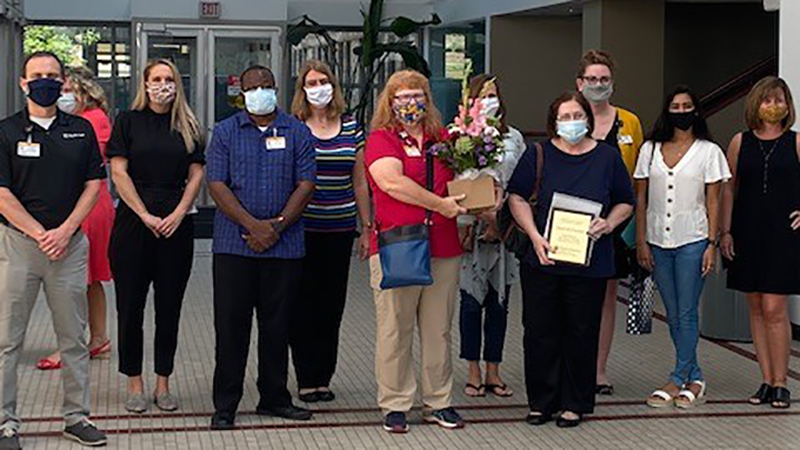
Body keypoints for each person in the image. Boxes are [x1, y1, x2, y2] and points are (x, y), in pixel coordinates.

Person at [508, 92, 634, 428]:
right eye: (564, 117)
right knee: (539, 330)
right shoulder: (539, 154)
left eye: (577, 115)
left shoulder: (607, 157)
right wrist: (534, 235)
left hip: (589, 261)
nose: (571, 122)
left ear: (588, 120)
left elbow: (626, 201)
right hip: (543, 258)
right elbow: (516, 196)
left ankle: (574, 403)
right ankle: (541, 401)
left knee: (581, 330)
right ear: (553, 122)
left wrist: (609, 223)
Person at [0, 51, 107, 448]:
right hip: (19, 246)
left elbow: (93, 185)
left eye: (52, 75)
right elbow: (1, 193)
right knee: (8, 338)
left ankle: (76, 418)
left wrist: (64, 231)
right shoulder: (6, 131)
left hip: (69, 246)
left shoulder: (80, 130)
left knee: (73, 338)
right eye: (36, 75)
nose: (45, 81)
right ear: (23, 83)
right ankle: (5, 422)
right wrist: (40, 232)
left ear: (63, 82)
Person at [207, 65, 316, 430]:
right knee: (231, 327)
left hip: (284, 247)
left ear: (276, 89)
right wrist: (254, 226)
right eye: (253, 87)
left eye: (267, 86)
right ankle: (225, 405)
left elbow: (305, 183)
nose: (260, 92)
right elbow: (217, 185)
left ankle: (274, 397)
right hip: (233, 245)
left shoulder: (297, 131)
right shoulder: (224, 132)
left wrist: (277, 226)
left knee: (278, 326)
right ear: (241, 91)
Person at [365, 69, 467, 434]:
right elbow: (391, 182)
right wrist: (440, 204)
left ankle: (439, 401)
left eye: (417, 95)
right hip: (398, 243)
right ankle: (395, 403)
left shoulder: (445, 139)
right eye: (402, 97)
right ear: (389, 103)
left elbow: (467, 177)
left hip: (443, 245)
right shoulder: (382, 139)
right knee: (395, 326)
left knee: (438, 328)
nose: (410, 103)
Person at [107, 58, 205, 413]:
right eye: (157, 79)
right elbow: (119, 172)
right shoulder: (128, 121)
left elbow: (196, 175)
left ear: (178, 84)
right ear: (145, 84)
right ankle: (135, 381)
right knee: (130, 306)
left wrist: (179, 213)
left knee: (169, 307)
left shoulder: (188, 124)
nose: (163, 85)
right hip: (134, 222)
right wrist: (144, 214)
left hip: (176, 223)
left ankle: (164, 382)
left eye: (169, 79)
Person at [634, 86, 731, 409]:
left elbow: (714, 199)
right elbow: (641, 197)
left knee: (687, 312)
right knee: (673, 313)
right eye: (675, 106)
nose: (681, 110)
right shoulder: (649, 149)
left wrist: (712, 244)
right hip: (659, 241)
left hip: (694, 238)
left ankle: (677, 378)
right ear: (666, 111)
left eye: (687, 105)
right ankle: (696, 378)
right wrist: (641, 241)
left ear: (697, 110)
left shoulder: (709, 151)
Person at [288, 60, 370, 403]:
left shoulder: (351, 127)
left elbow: (360, 180)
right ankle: (306, 377)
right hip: (303, 229)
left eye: (324, 81)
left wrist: (366, 227)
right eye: (311, 82)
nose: (319, 87)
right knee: (302, 304)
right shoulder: (294, 126)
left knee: (331, 305)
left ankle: (324, 376)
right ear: (302, 90)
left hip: (339, 229)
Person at [720, 76, 800, 409]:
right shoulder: (740, 142)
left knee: (774, 308)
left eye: (779, 100)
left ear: (788, 105)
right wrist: (725, 231)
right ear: (756, 104)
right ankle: (766, 379)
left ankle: (783, 382)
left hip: (783, 233)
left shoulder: (796, 141)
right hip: (747, 230)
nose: (773, 106)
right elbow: (728, 188)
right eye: (767, 101)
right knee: (754, 307)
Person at [575, 50, 644, 395]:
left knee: (606, 296)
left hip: (616, 223)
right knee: (574, 295)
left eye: (604, 80)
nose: (598, 85)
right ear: (580, 83)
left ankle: (599, 370)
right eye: (592, 79)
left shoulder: (629, 122)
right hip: (573, 221)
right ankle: (574, 364)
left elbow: (639, 179)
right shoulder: (571, 117)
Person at [37, 66, 115, 371]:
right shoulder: (73, 121)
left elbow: (75, 162)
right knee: (90, 279)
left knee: (73, 279)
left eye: (66, 89)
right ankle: (99, 339)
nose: (61, 95)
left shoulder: (93, 121)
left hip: (87, 204)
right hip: (79, 202)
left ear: (82, 91)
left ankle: (70, 346)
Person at [458, 74, 523, 399]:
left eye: (494, 95)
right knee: (471, 302)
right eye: (482, 97)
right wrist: (478, 215)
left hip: (505, 228)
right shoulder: (461, 137)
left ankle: (493, 370)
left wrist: (500, 215)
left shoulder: (513, 137)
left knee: (499, 303)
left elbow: (522, 183)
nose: (489, 102)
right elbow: (458, 178)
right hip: (471, 228)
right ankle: (472, 370)